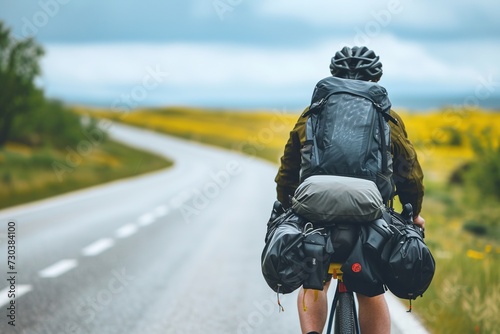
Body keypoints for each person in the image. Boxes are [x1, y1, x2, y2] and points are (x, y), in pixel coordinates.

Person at [274, 46, 425, 334]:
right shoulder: (385, 116)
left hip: (315, 212)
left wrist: (288, 206)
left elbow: (288, 170)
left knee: (314, 279)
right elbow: (409, 173)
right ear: (376, 77)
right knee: (370, 289)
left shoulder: (313, 113)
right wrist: (414, 213)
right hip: (369, 215)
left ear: (334, 75)